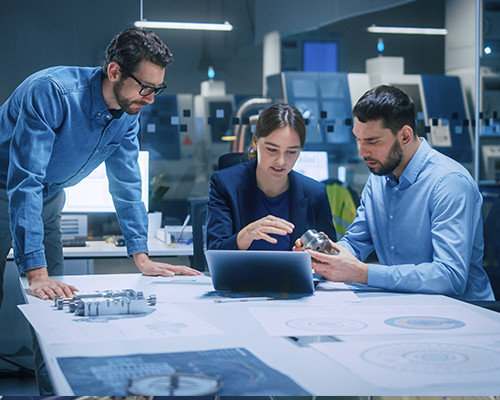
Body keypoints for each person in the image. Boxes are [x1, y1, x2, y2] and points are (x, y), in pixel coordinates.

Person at [0, 28, 200, 393]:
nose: (151, 99)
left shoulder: (129, 111)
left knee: (53, 305)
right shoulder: (52, 92)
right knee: (38, 282)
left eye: (158, 89)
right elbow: (24, 181)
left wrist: (142, 256)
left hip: (48, 197)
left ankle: (55, 394)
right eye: (145, 88)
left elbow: (126, 184)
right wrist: (35, 271)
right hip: (6, 185)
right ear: (113, 72)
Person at [295, 84, 493, 302]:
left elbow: (450, 278)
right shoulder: (378, 180)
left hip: (464, 315)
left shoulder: (449, 183)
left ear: (405, 136)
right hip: (404, 306)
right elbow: (356, 242)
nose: (362, 152)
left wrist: (363, 273)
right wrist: (320, 256)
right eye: (358, 139)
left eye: (372, 141)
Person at [206, 103, 336, 251]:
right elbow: (215, 251)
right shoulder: (224, 184)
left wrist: (310, 258)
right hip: (241, 274)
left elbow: (331, 259)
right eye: (272, 150)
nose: (281, 161)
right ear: (255, 143)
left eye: (291, 152)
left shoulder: (315, 192)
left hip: (293, 274)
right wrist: (247, 234)